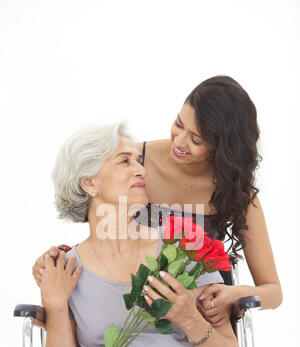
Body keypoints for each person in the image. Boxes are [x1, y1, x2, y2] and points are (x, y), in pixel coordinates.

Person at [39, 123, 242, 347]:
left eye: (138, 159)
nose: (140, 169)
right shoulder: (65, 270)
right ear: (89, 183)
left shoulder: (183, 250)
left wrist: (189, 317)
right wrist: (56, 306)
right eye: (124, 161)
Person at [33, 75, 282, 327]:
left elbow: (273, 291)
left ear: (222, 148)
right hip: (125, 310)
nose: (180, 142)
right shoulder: (134, 161)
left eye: (196, 140)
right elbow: (101, 229)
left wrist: (234, 293)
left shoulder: (237, 194)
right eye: (178, 124)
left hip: (197, 319)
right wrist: (61, 260)